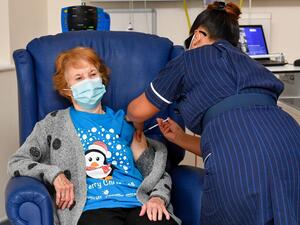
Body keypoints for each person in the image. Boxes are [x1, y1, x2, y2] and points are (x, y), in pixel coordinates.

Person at [126, 1, 300, 225]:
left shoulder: (189, 59)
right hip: (290, 144)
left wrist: (133, 123)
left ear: (198, 35)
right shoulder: (252, 64)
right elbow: (243, 137)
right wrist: (180, 138)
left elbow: (138, 110)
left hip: (238, 160)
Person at [7, 47, 181, 225]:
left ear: (102, 79)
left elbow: (154, 170)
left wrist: (158, 197)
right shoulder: (53, 124)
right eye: (79, 78)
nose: (88, 82)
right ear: (67, 89)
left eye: (92, 74)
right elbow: (17, 162)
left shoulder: (124, 122)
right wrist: (55, 174)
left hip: (138, 203)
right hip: (92, 208)